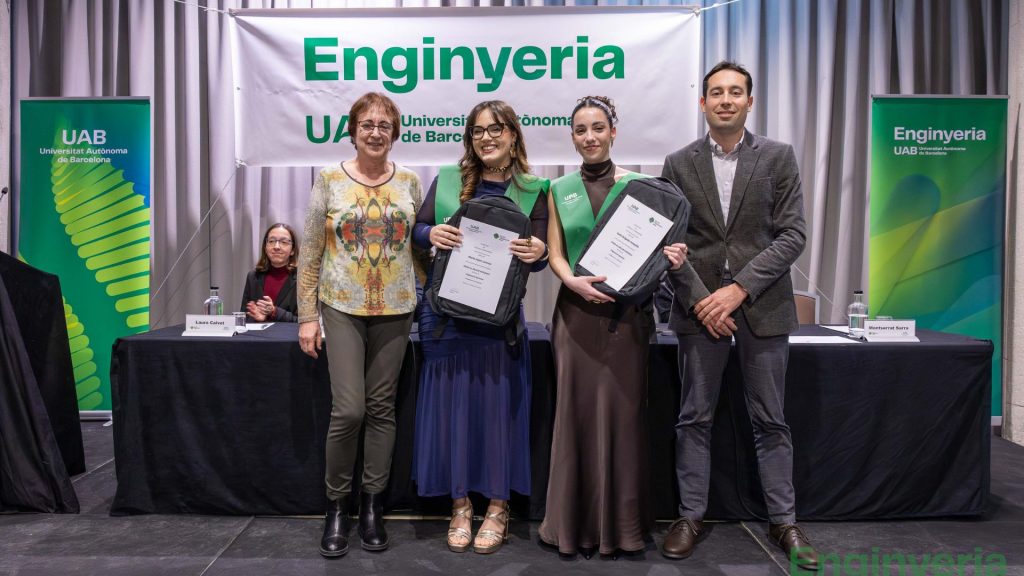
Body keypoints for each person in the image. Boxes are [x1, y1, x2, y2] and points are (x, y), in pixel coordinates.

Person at [659, 61, 818, 570]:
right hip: (698, 308)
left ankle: (785, 521)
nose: (725, 100)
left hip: (762, 309)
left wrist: (736, 291)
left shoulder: (778, 157)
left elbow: (792, 235)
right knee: (693, 419)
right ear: (702, 103)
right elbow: (669, 241)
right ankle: (689, 516)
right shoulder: (678, 162)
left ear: (750, 101)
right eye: (716, 93)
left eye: (735, 92)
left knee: (771, 421)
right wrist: (706, 299)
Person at [538, 96, 687, 558]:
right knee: (574, 419)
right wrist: (571, 281)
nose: (590, 137)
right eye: (581, 130)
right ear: (573, 136)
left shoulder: (644, 188)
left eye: (598, 128)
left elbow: (662, 251)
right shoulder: (557, 189)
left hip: (627, 322)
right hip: (575, 317)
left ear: (613, 132)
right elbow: (555, 252)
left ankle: (620, 529)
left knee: (623, 421)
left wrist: (674, 258)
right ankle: (571, 527)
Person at [411, 100, 549, 555]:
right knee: (452, 411)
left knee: (495, 413)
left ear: (513, 135)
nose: (486, 138)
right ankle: (459, 505)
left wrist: (537, 253)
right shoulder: (449, 180)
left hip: (498, 321)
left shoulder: (536, 189)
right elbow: (418, 229)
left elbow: (547, 250)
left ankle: (497, 505)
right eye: (477, 131)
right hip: (445, 319)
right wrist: (431, 235)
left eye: (495, 129)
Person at [296, 92, 423, 558]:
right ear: (353, 130)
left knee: (382, 409)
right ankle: (336, 506)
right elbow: (309, 251)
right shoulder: (329, 180)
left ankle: (372, 506)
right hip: (342, 305)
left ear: (395, 133)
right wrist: (307, 316)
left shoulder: (410, 181)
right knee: (349, 410)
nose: (375, 132)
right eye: (367, 124)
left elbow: (420, 249)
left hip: (396, 307)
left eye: (384, 125)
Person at [241, 222, 299, 322]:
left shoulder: (303, 279)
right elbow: (243, 317)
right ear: (265, 247)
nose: (276, 247)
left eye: (284, 242)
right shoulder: (253, 277)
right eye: (271, 241)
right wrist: (256, 318)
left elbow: (304, 322)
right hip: (257, 336)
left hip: (288, 337)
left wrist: (274, 312)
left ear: (292, 250)